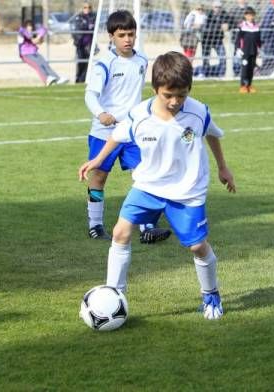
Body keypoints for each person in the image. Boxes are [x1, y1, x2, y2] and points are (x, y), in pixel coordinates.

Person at [78, 51, 236, 320]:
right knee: (120, 233)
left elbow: (213, 134)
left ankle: (210, 294)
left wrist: (222, 166)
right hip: (148, 186)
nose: (175, 102)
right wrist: (97, 160)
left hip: (187, 191)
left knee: (198, 247)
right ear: (155, 90)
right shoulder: (139, 114)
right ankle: (114, 295)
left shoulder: (198, 112)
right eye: (168, 95)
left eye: (182, 95)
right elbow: (117, 136)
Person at [84, 10, 171, 244]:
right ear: (111, 36)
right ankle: (95, 224)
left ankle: (147, 226)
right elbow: (90, 95)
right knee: (99, 177)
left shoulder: (142, 60)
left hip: (133, 131)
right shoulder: (104, 63)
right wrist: (101, 113)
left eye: (131, 34)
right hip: (104, 133)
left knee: (143, 175)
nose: (127, 39)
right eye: (122, 35)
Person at [18, 20, 69, 86]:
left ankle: (58, 79)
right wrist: (40, 34)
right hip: (25, 54)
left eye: (30, 26)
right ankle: (46, 79)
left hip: (34, 52)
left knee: (45, 64)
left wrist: (43, 32)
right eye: (28, 26)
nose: (30, 28)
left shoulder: (31, 32)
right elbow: (33, 41)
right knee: (38, 65)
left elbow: (39, 42)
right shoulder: (22, 31)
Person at [235, 6, 261, 93]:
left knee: (251, 69)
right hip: (245, 51)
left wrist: (260, 49)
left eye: (252, 15)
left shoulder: (256, 27)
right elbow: (238, 39)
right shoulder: (242, 26)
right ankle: (243, 86)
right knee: (245, 69)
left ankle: (249, 85)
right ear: (245, 16)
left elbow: (258, 40)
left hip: (253, 51)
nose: (250, 17)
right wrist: (238, 48)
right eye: (248, 15)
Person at [201, 1, 229, 77]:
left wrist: (227, 25)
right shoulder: (208, 15)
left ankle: (221, 75)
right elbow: (206, 27)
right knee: (206, 58)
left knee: (223, 57)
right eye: (216, 7)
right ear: (212, 7)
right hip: (207, 40)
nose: (218, 9)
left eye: (219, 7)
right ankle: (205, 74)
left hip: (218, 40)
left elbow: (227, 24)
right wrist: (219, 27)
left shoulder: (224, 14)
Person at [72, 2, 96, 83]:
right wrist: (87, 26)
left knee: (87, 63)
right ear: (82, 8)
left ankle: (83, 80)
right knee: (80, 62)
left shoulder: (93, 17)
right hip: (80, 44)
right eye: (85, 7)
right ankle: (78, 80)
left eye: (89, 7)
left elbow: (94, 28)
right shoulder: (79, 17)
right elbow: (78, 29)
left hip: (89, 44)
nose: (87, 9)